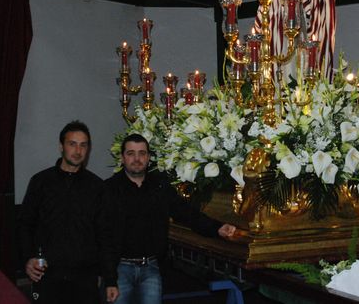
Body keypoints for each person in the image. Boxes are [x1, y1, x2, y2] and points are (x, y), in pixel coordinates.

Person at [102, 134, 237, 304]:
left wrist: (217, 228)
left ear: (148, 157)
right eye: (131, 153)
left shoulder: (160, 186)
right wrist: (108, 278)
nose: (137, 158)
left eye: (142, 153)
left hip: (151, 268)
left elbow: (186, 213)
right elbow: (103, 236)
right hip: (119, 268)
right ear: (122, 157)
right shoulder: (108, 190)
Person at [18, 120, 106, 304]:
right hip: (47, 274)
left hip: (85, 277)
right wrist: (28, 258)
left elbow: (104, 232)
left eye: (83, 145)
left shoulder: (97, 186)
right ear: (61, 146)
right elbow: (25, 224)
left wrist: (102, 273)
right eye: (72, 144)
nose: (78, 150)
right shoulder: (40, 182)